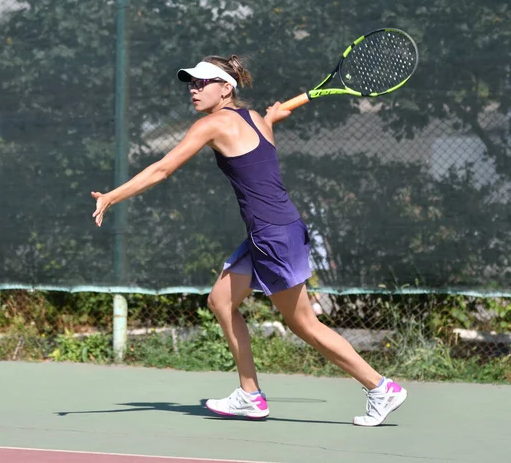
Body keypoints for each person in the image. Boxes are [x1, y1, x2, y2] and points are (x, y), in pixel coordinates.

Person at [91, 55, 407, 426]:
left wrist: (112, 196)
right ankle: (250, 395)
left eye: (202, 83)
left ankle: (380, 387)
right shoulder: (255, 119)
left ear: (226, 88)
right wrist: (271, 120)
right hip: (272, 230)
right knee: (221, 301)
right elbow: (259, 149)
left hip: (274, 234)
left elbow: (162, 169)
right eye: (191, 83)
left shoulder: (211, 125)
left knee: (304, 324)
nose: (194, 90)